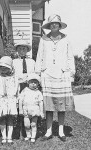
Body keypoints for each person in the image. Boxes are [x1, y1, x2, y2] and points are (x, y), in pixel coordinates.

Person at [35, 14, 75, 142]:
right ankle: (48, 131)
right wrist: (38, 73)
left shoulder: (66, 39)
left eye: (56, 23)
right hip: (47, 74)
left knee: (61, 105)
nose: (54, 25)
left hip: (62, 74)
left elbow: (70, 57)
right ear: (49, 25)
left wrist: (71, 72)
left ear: (59, 25)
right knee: (49, 105)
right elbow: (39, 56)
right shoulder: (43, 39)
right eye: (52, 23)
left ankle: (61, 131)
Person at [13, 40, 35, 139]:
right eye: (20, 48)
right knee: (19, 107)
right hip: (18, 86)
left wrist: (28, 78)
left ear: (27, 50)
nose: (22, 50)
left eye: (24, 48)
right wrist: (19, 79)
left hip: (28, 86)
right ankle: (20, 131)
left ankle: (30, 130)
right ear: (17, 50)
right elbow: (12, 75)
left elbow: (34, 74)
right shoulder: (14, 62)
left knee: (28, 106)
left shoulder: (31, 61)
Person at [0, 56, 19, 144]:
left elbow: (17, 90)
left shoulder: (14, 78)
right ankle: (4, 137)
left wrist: (16, 101)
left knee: (10, 119)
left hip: (11, 100)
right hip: (1, 101)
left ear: (10, 68)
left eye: (6, 68)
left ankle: (9, 137)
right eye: (2, 68)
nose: (4, 70)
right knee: (2, 119)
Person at [18, 73, 44, 143]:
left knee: (33, 124)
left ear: (38, 84)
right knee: (26, 125)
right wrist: (20, 109)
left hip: (35, 110)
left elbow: (41, 102)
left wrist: (41, 112)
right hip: (26, 110)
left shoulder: (38, 92)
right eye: (31, 82)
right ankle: (28, 135)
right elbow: (20, 100)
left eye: (35, 82)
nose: (33, 84)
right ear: (28, 83)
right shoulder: (24, 90)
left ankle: (33, 137)